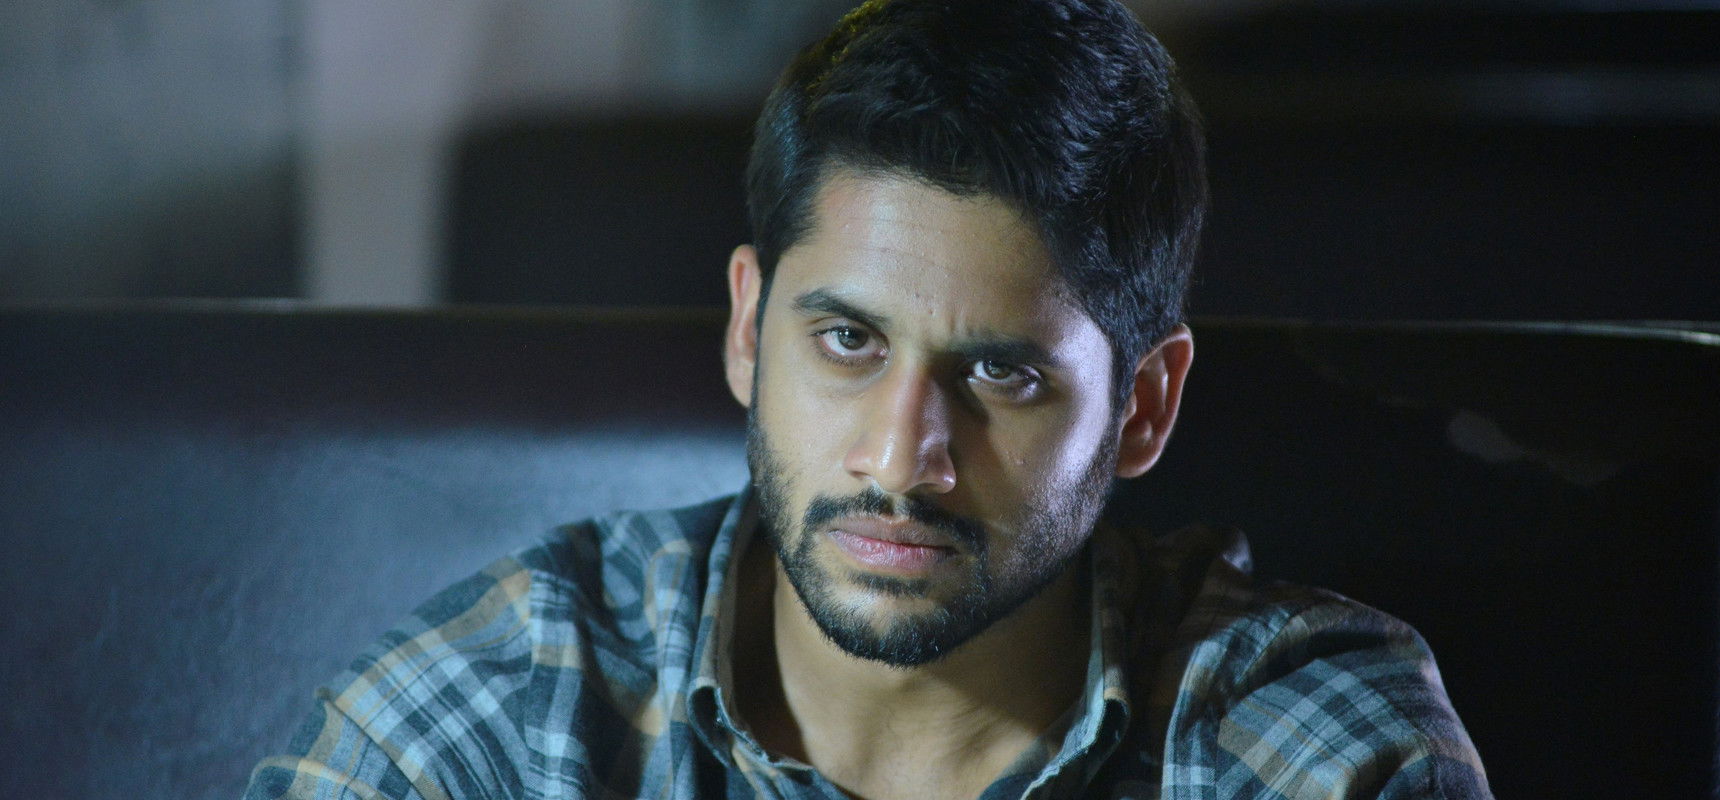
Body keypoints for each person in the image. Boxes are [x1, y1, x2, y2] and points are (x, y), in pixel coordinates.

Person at [245, 1, 1490, 797]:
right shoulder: (521, 702)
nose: (902, 458)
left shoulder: (1290, 747)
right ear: (749, 330)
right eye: (847, 340)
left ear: (1144, 406)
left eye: (1002, 373)